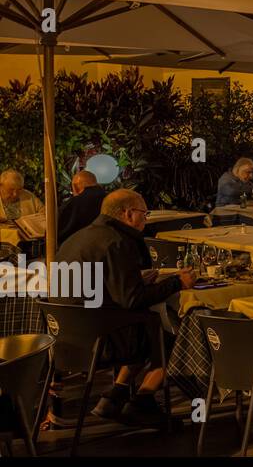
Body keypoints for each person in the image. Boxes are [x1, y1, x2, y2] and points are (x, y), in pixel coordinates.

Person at [56, 189, 197, 422]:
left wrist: (136, 279)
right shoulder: (117, 242)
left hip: (67, 338)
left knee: (146, 330)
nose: (146, 218)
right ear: (129, 214)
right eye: (145, 213)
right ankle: (143, 399)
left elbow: (100, 285)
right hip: (100, 340)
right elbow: (131, 300)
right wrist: (177, 282)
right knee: (172, 341)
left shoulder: (78, 238)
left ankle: (114, 396)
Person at [57, 169, 107, 243]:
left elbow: (59, 232)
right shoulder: (110, 199)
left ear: (75, 187)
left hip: (79, 248)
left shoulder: (73, 204)